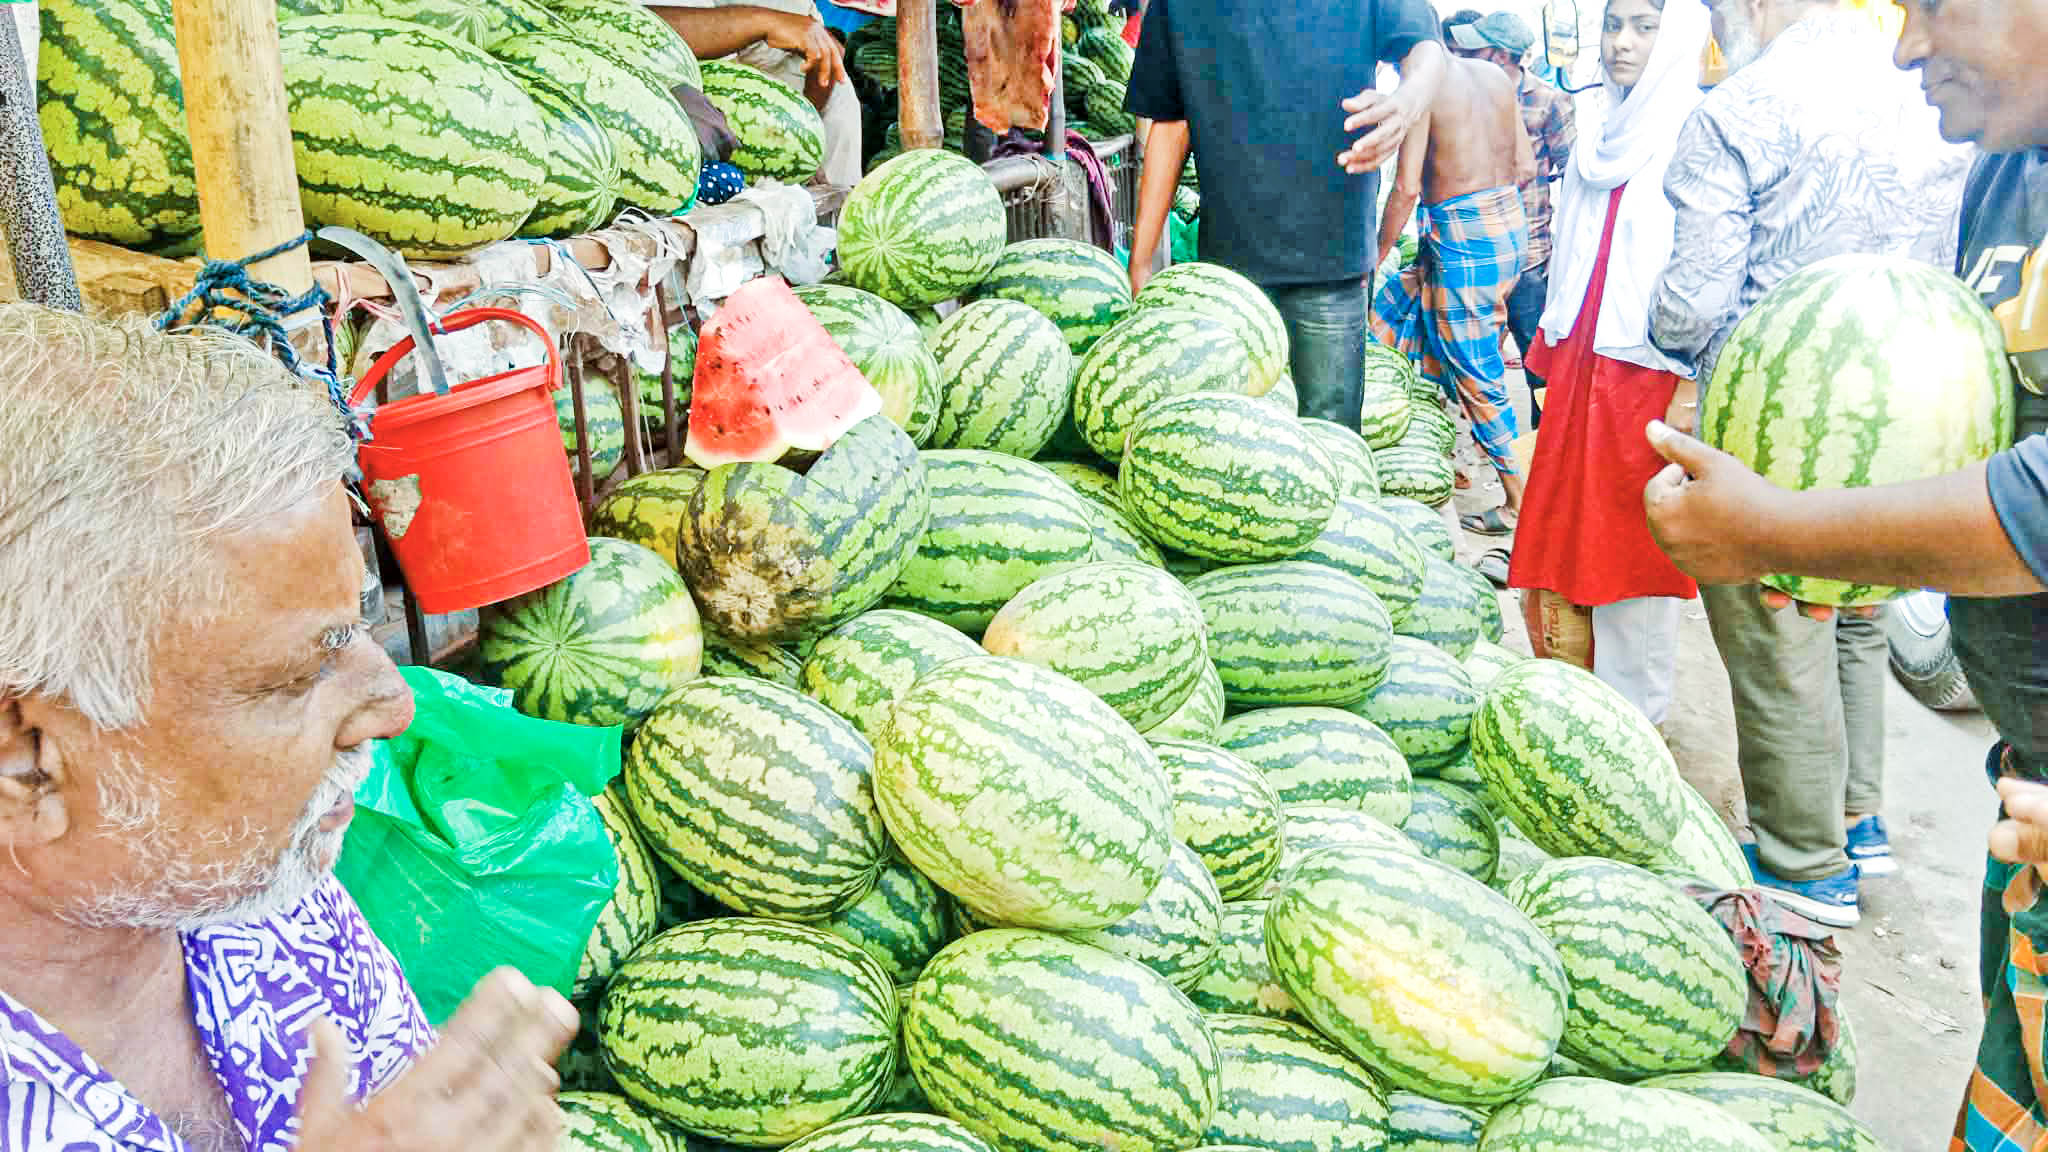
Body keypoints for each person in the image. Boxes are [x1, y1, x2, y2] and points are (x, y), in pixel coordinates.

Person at [0, 305, 578, 1150]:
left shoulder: (257, 897)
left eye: (356, 625)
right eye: (298, 674)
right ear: (26, 761)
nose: (395, 706)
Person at [1636, 1, 2048, 1140]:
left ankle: (1808, 879)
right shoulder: (2004, 164)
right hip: (2027, 789)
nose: (1907, 45)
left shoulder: (1752, 112)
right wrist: (1834, 539)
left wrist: (1783, 530)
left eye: (1934, 7)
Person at [1639, 0, 1970, 926]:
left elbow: (1693, 306)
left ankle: (1803, 864)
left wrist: (1662, 332)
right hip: (1912, 418)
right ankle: (1859, 821)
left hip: (1775, 424)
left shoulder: (1741, 108)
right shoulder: (1925, 90)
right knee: (1858, 615)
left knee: (1777, 628)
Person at [1502, 0, 1710, 727]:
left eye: (1645, 27)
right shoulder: (1599, 121)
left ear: (1677, 34)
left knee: (1637, 548)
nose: (1622, 43)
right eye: (1614, 24)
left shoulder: (1697, 126)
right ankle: (1579, 713)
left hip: (1649, 369)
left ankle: (1635, 721)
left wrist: (1688, 386)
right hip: (1585, 353)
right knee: (1571, 535)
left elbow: (1703, 266)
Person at [1123, 0, 1448, 427]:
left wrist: (1407, 103)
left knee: (1327, 444)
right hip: (1231, 275)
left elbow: (1426, 50)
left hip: (1330, 266)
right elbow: (1171, 125)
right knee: (1231, 444)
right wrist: (1140, 261)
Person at [1367, 55, 1534, 522]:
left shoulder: (1424, 85)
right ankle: (1426, 444)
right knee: (1395, 311)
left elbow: (1405, 188)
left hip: (1465, 238)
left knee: (1478, 375)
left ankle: (1520, 500)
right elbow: (1525, 164)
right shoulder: (1495, 76)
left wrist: (1376, 253)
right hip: (1506, 227)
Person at [1452, 12, 1576, 435]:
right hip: (1474, 257)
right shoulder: (1463, 95)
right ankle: (1491, 453)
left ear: (1501, 55)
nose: (1465, 55)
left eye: (1475, 49)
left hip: (1528, 261)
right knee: (1472, 367)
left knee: (1538, 367)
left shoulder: (1549, 102)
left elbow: (1573, 174)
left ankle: (1545, 452)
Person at [650, 0, 862, 186]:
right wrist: (765, 22)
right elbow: (643, 29)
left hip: (782, 136)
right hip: (678, 120)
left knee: (840, 92)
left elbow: (820, 48)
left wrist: (796, 135)